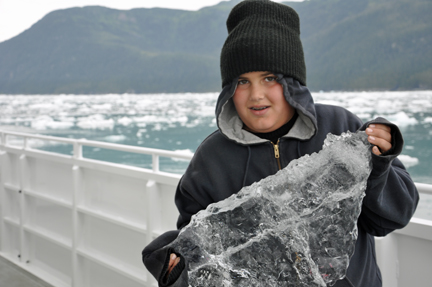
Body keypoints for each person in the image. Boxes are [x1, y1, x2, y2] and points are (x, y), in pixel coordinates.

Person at [142, 1, 419, 286]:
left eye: (269, 78)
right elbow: (200, 250)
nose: (256, 95)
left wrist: (379, 165)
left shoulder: (340, 126)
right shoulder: (210, 160)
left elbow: (389, 220)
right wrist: (176, 270)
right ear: (228, 89)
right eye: (242, 81)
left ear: (292, 82)